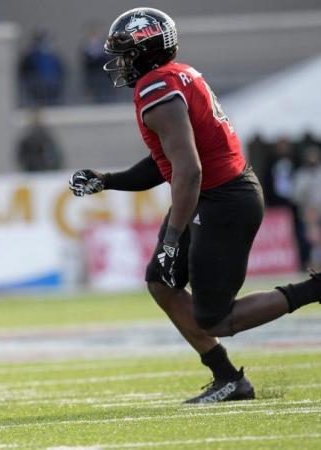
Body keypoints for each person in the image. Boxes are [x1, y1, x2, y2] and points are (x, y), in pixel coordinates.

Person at [69, 8, 321, 404]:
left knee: (216, 318)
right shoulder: (177, 77)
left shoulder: (157, 88)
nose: (119, 63)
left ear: (147, 51)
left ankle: (314, 289)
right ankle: (227, 378)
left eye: (125, 52)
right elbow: (167, 162)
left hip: (222, 200)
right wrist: (108, 181)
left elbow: (188, 172)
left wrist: (171, 240)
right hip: (215, 194)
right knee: (161, 282)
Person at [18, 30, 66, 106]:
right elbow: (24, 69)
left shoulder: (53, 55)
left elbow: (61, 69)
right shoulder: (31, 56)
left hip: (52, 85)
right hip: (37, 86)